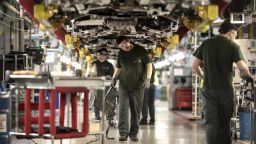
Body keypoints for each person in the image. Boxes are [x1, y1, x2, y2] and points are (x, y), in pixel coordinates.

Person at [192, 21, 253, 144]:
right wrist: (250, 78)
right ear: (231, 33)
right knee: (224, 124)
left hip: (209, 90)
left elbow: (195, 65)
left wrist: (204, 77)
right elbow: (242, 68)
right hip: (225, 91)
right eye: (235, 34)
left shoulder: (206, 43)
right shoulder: (232, 45)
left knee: (211, 123)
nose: (235, 37)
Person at [111, 36, 152, 141]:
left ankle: (133, 134)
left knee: (136, 111)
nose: (124, 47)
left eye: (125, 44)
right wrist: (114, 78)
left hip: (138, 87)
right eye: (121, 46)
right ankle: (123, 133)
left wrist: (148, 78)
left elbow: (149, 65)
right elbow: (118, 67)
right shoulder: (121, 53)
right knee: (123, 110)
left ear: (128, 41)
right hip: (124, 86)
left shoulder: (140, 50)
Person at [91, 48, 114, 120]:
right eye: (102, 54)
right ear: (99, 55)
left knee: (108, 101)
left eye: (105, 54)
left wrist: (108, 77)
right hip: (96, 85)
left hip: (106, 86)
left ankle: (110, 117)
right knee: (96, 101)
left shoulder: (109, 65)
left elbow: (111, 76)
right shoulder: (94, 64)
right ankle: (97, 117)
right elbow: (92, 74)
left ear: (107, 56)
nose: (103, 56)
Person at [140, 51, 156, 125]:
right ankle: (152, 120)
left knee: (145, 103)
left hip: (147, 85)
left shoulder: (147, 65)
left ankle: (144, 119)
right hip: (152, 85)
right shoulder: (153, 65)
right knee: (151, 103)